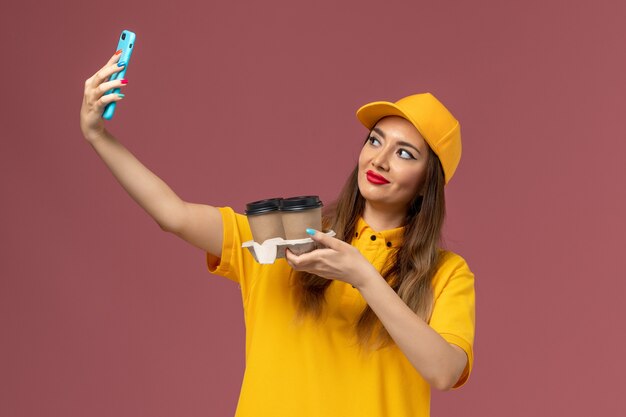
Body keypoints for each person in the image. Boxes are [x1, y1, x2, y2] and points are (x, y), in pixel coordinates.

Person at [80, 51, 475, 417]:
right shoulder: (284, 237)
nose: (380, 159)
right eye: (375, 140)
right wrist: (97, 134)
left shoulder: (446, 274)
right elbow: (173, 214)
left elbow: (443, 371)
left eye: (405, 153)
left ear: (428, 183)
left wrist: (364, 278)